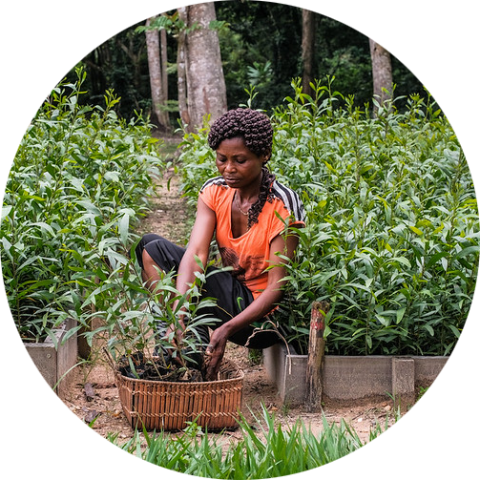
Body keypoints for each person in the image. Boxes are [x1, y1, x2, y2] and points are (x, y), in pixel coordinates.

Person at [135, 108, 305, 379]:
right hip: (229, 296)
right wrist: (178, 313)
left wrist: (226, 330)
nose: (228, 168)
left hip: (262, 320)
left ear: (264, 156)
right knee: (150, 248)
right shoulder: (215, 191)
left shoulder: (282, 204)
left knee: (190, 274)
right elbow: (197, 252)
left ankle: (188, 356)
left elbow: (277, 287)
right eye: (221, 159)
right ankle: (183, 350)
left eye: (240, 160)